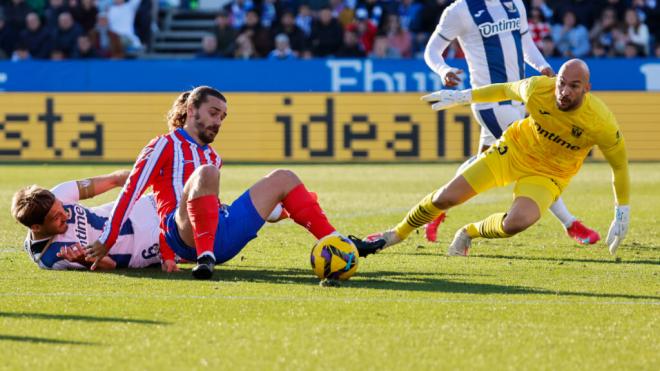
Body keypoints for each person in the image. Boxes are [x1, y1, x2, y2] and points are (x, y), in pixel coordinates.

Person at [84, 86, 384, 280]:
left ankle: (341, 244)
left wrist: (288, 207)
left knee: (284, 178)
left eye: (223, 117)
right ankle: (204, 259)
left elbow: (209, 207)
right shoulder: (164, 145)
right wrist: (108, 239)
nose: (218, 122)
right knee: (206, 174)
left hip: (220, 234)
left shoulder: (212, 155)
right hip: (182, 235)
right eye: (213, 113)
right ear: (191, 110)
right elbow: (133, 190)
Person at [364, 59, 630, 258]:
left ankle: (469, 232)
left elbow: (619, 166)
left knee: (516, 223)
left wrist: (622, 210)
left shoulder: (601, 122)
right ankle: (395, 235)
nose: (564, 91)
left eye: (574, 86)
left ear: (587, 89)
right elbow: (504, 90)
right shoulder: (539, 88)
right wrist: (462, 96)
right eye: (561, 82)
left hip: (549, 175)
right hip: (512, 151)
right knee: (445, 197)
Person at [421, 0, 599, 246]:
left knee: (480, 161)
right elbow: (431, 50)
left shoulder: (515, 4)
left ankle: (437, 209)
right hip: (491, 103)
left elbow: (525, 42)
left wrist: (543, 66)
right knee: (534, 158)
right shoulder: (460, 10)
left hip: (518, 98)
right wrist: (443, 70)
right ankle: (571, 224)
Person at [11, 170, 162, 270]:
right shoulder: (52, 257)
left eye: (62, 208)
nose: (65, 215)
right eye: (56, 217)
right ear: (36, 227)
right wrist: (84, 259)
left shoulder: (59, 194)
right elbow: (111, 265)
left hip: (142, 207)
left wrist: (154, 177)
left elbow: (113, 180)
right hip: (142, 245)